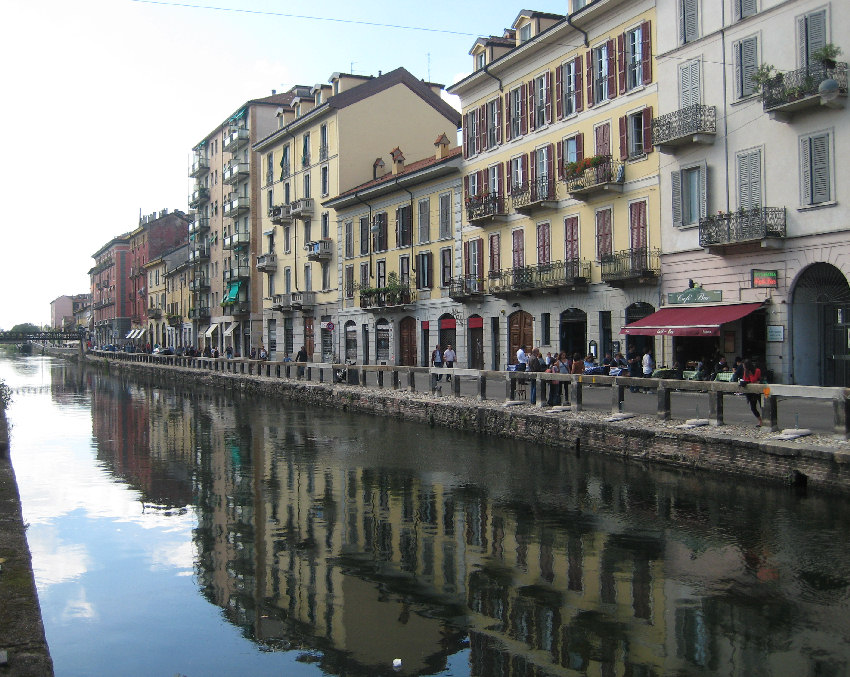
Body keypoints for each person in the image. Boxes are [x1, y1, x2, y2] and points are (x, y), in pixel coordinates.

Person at [742, 358, 763, 425]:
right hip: (751, 392)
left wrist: (750, 375)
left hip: (760, 390)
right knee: (753, 407)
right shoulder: (746, 372)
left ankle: (766, 420)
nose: (743, 367)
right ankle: (760, 420)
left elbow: (754, 380)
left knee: (763, 406)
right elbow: (746, 380)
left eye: (744, 366)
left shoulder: (757, 370)